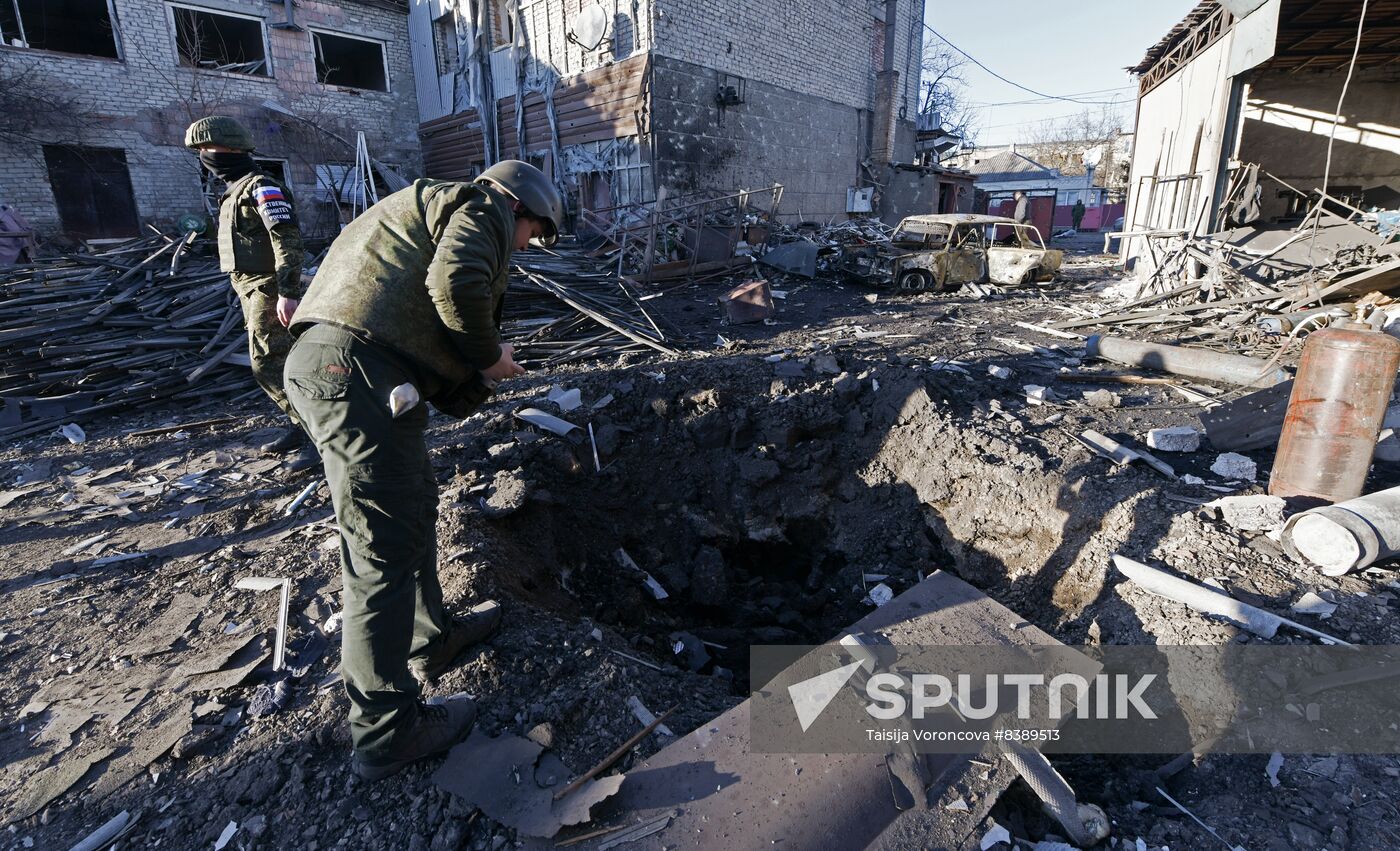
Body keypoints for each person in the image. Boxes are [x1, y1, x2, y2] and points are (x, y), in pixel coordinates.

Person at [283, 160, 564, 781]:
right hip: (355, 372)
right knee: (380, 552)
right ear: (520, 206)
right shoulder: (482, 207)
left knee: (411, 511)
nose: (526, 247)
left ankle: (430, 639)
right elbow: (457, 281)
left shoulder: (426, 207)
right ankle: (386, 731)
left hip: (352, 368)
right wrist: (490, 358)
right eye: (533, 233)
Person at [185, 116, 317, 472]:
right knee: (280, 363)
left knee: (268, 363)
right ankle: (300, 426)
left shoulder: (262, 187)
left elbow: (287, 240)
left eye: (207, 147)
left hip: (268, 286)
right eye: (199, 150)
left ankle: (318, 435)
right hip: (247, 286)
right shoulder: (234, 190)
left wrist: (288, 292)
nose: (203, 155)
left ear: (231, 148)